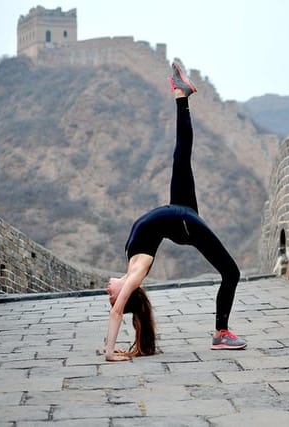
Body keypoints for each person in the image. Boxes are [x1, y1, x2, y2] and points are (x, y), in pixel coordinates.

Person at [103, 59, 247, 362]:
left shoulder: (129, 260)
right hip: (183, 224)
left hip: (179, 210)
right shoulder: (135, 274)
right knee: (231, 272)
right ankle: (221, 333)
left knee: (182, 154)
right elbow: (119, 311)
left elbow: (125, 310)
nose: (108, 292)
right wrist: (108, 352)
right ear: (126, 294)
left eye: (110, 295)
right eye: (112, 296)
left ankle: (181, 95)